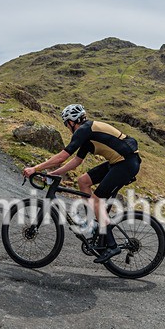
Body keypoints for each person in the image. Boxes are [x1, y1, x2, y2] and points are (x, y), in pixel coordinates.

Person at [22, 103, 141, 264]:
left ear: (71, 122)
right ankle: (92, 223)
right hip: (118, 162)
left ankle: (112, 245)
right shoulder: (87, 133)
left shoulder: (84, 130)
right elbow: (77, 161)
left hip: (126, 163)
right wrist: (53, 174)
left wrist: (35, 168)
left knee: (97, 199)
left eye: (66, 124)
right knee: (83, 181)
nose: (67, 127)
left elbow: (62, 157)